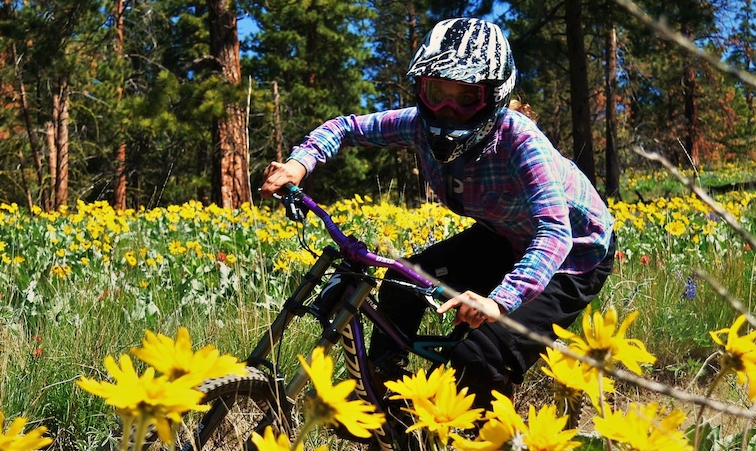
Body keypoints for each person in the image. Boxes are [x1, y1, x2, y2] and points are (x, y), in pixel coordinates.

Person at [259, 17, 615, 416]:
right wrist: (298, 164)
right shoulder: (416, 126)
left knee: (481, 354)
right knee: (402, 279)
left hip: (576, 256)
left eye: (465, 98)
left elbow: (553, 232)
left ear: (494, 97)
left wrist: (499, 301)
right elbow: (347, 128)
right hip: (505, 235)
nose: (447, 110)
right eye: (436, 92)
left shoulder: (520, 142)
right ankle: (389, 397)